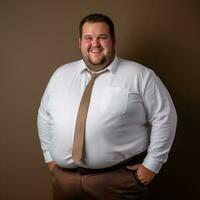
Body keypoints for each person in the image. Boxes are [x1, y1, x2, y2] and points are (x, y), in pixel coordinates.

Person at [37, 13, 177, 200]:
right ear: (80, 42)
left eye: (102, 37)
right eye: (88, 38)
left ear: (113, 40)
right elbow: (44, 115)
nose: (95, 44)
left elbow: (165, 117)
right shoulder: (60, 75)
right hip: (65, 182)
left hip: (117, 182)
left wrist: (152, 165)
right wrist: (49, 157)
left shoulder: (140, 76)